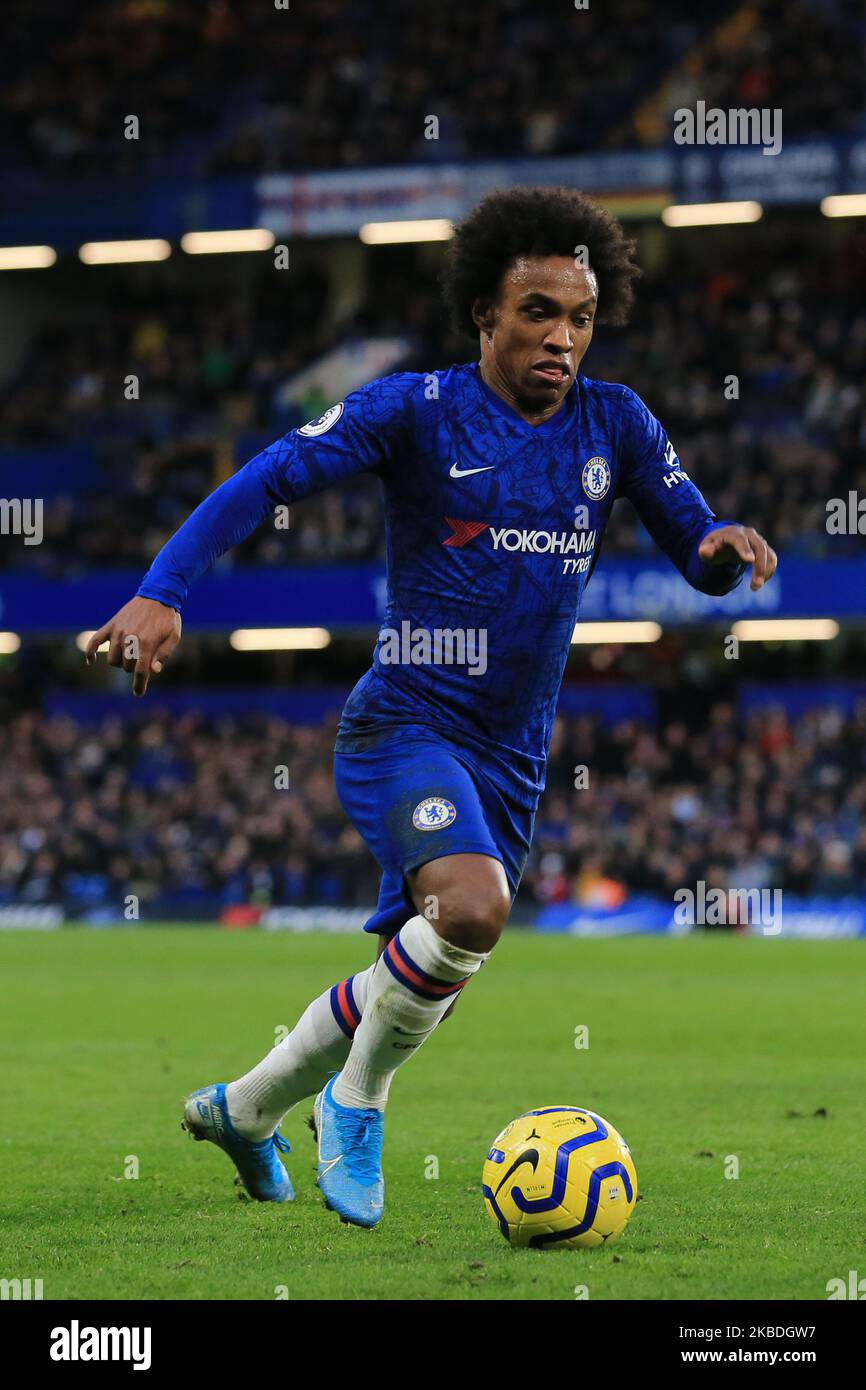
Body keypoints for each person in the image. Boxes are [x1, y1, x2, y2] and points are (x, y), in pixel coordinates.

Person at [86, 186, 777, 1229]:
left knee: (412, 966)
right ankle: (353, 1106)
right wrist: (163, 589)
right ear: (484, 317)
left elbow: (693, 542)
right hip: (403, 725)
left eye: (579, 317)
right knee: (471, 910)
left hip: (510, 757)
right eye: (536, 311)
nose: (560, 337)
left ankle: (243, 1107)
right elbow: (268, 478)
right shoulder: (414, 411)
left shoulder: (615, 422)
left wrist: (722, 552)